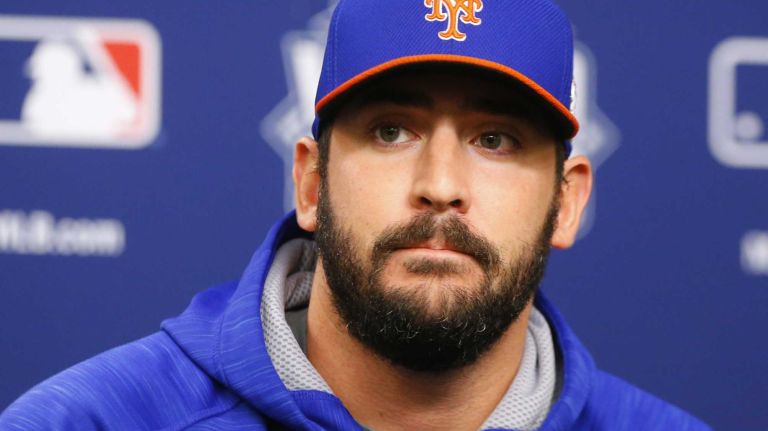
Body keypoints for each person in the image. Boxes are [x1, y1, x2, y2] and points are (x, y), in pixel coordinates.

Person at [1, 0, 711, 430]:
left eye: (494, 139)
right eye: (391, 131)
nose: (440, 185)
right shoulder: (92, 419)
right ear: (310, 182)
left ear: (568, 200)